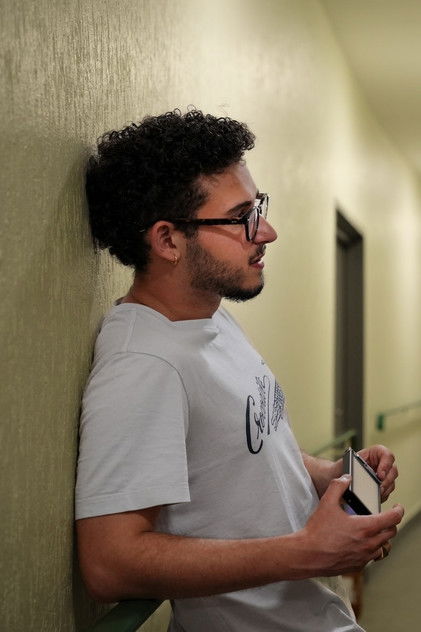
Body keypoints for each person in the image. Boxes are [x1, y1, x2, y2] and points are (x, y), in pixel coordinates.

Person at [75, 109, 403, 631]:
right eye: (241, 217)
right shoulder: (144, 365)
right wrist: (307, 551)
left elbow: (234, 448)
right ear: (168, 240)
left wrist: (328, 475)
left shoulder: (211, 317)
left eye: (259, 208)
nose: (267, 231)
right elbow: (109, 565)